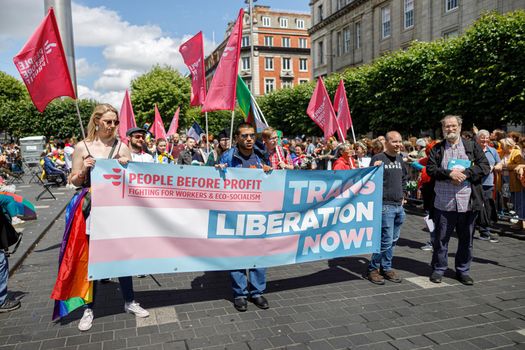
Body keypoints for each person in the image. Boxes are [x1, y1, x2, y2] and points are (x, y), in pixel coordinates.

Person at [56, 104, 149, 331]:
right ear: (96, 121)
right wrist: (83, 170)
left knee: (122, 256)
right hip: (91, 210)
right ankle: (89, 308)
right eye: (108, 122)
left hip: (118, 209)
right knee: (92, 259)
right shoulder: (82, 147)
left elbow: (134, 180)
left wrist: (128, 166)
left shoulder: (122, 147)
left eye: (115, 122)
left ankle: (129, 301)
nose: (112, 126)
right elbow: (73, 180)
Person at [427, 115, 489, 285]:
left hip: (467, 203)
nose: (450, 129)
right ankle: (439, 269)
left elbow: (485, 167)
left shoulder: (471, 146)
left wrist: (465, 173)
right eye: (447, 126)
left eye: (453, 126)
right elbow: (431, 169)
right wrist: (449, 174)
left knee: (466, 241)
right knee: (440, 239)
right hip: (443, 203)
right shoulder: (437, 149)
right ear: (443, 128)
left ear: (460, 127)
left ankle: (463, 270)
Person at [218, 122, 271, 312]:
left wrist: (269, 171)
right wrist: (218, 170)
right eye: (244, 136)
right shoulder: (227, 156)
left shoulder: (261, 157)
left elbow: (272, 182)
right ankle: (240, 293)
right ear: (237, 139)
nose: (248, 139)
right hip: (235, 214)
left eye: (251, 136)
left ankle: (257, 292)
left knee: (258, 251)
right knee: (237, 254)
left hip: (257, 213)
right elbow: (214, 182)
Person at [366, 131, 408, 285]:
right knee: (385, 240)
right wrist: (374, 168)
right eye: (395, 141)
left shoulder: (400, 158)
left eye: (400, 141)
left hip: (398, 206)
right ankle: (373, 268)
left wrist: (403, 194)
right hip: (385, 206)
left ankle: (387, 267)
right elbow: (369, 181)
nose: (398, 144)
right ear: (387, 142)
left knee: (393, 240)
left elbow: (404, 178)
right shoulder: (378, 158)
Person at [475, 130, 500, 242]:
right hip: (475, 183)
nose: (485, 140)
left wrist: (495, 166)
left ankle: (485, 230)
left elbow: (499, 163)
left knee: (488, 206)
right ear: (477, 138)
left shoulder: (493, 151)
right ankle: (480, 229)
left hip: (488, 183)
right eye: (482, 138)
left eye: (486, 138)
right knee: (477, 206)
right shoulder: (472, 150)